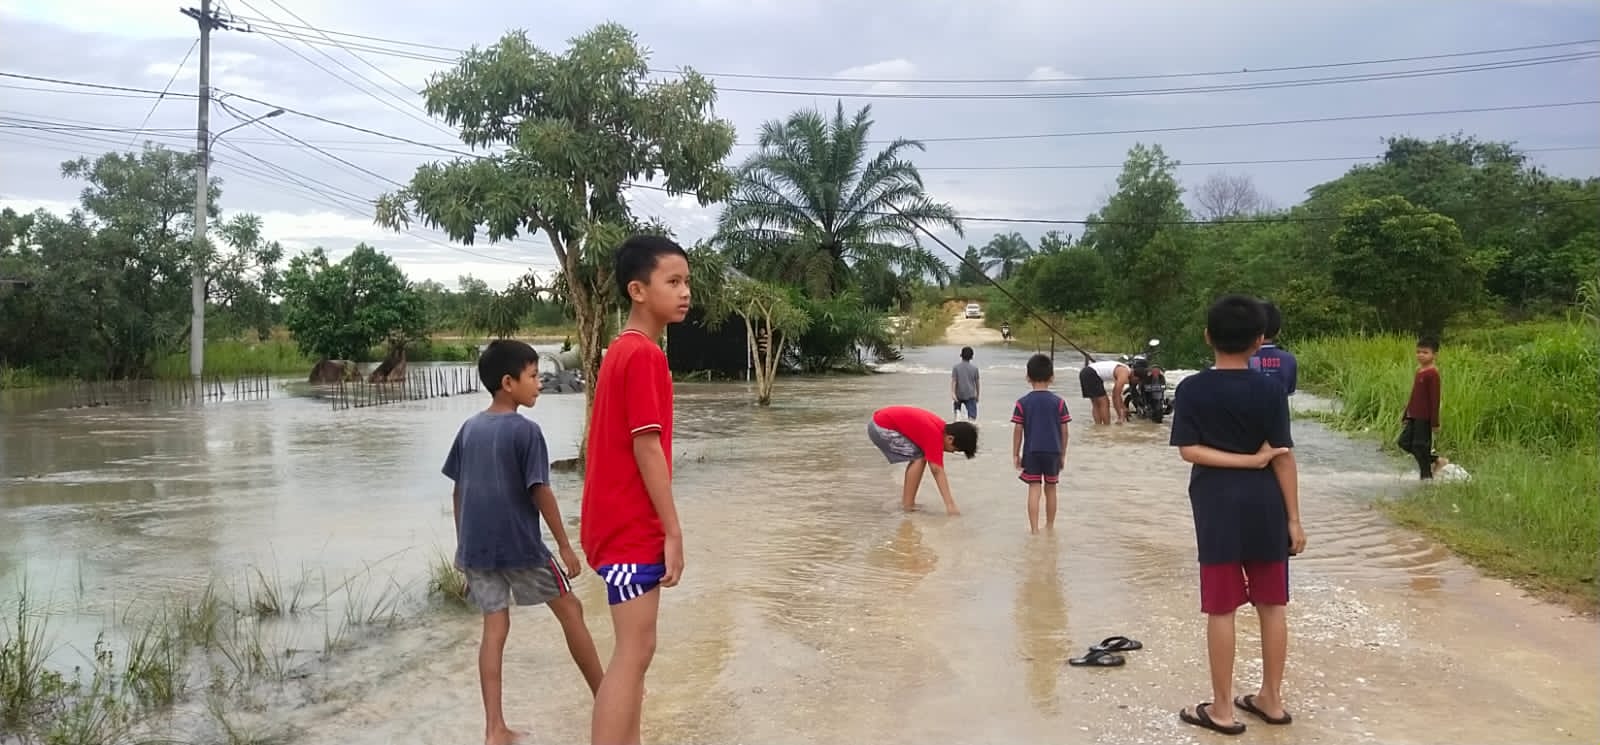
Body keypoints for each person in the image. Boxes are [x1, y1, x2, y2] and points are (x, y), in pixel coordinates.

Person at [443, 339, 605, 745]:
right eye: (532, 376)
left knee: (494, 628)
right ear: (508, 383)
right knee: (571, 609)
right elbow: (541, 491)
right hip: (521, 546)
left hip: (477, 550)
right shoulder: (527, 431)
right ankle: (606, 699)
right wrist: (566, 547)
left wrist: (463, 552)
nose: (538, 384)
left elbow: (458, 492)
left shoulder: (469, 428)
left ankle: (494, 728)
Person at [1168, 295, 1305, 737]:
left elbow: (1190, 451)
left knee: (1222, 607)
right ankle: (1272, 699)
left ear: (1208, 336)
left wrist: (1240, 461)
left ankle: (1223, 709)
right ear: (1260, 341)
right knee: (1272, 604)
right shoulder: (1270, 389)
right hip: (1267, 506)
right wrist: (1294, 519)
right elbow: (1282, 457)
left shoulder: (1192, 389)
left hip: (1217, 507)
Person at [581, 234, 691, 745]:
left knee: (636, 653)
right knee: (633, 654)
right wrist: (673, 531)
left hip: (616, 524)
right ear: (638, 290)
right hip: (630, 527)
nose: (685, 291)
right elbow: (647, 446)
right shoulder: (643, 355)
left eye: (686, 281)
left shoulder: (621, 351)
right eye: (673, 281)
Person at [867, 405, 979, 516]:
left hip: (879, 421)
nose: (952, 452)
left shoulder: (939, 427)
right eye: (954, 449)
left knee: (920, 456)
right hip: (881, 428)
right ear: (950, 438)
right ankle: (908, 505)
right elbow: (936, 470)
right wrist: (950, 506)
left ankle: (907, 503)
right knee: (919, 458)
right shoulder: (934, 434)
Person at [1011, 353, 1072, 534]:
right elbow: (1065, 431)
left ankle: (1034, 530)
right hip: (1053, 450)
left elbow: (1018, 429)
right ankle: (1050, 527)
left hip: (1032, 451)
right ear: (1052, 377)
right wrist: (1063, 454)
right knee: (1051, 488)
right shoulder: (1059, 403)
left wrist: (1015, 453)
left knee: (1034, 488)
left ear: (1028, 377)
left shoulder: (1022, 403)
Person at [1398, 337, 1447, 480]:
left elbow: (1435, 399)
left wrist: (1435, 422)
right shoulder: (1419, 371)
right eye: (1418, 352)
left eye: (1425, 352)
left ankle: (1426, 478)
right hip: (1413, 415)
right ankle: (1437, 460)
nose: (1420, 355)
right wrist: (1406, 415)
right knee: (1404, 442)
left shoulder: (1433, 373)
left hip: (1425, 417)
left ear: (1434, 355)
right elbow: (1414, 395)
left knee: (1420, 446)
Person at [1249, 300, 1299, 395]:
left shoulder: (1242, 358)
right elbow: (1290, 392)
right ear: (1278, 331)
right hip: (1278, 409)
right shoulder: (1289, 359)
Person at [1078, 357, 1131, 425]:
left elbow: (1118, 395)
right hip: (1092, 374)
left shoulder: (1123, 368)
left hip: (1085, 372)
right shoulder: (1124, 373)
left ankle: (1098, 426)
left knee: (1096, 404)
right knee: (1104, 403)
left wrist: (1123, 407)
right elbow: (1115, 395)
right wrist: (1120, 416)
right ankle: (1106, 426)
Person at [951, 346, 981, 420]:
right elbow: (977, 383)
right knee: (972, 418)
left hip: (958, 395)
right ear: (972, 357)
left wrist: (953, 393)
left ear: (961, 355)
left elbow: (954, 381)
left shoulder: (956, 367)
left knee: (957, 416)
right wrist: (977, 395)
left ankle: (957, 425)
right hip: (970, 395)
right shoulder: (974, 369)